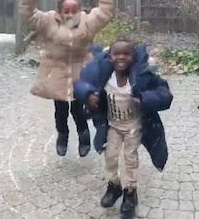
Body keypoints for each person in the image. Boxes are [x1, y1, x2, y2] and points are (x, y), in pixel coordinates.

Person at [20, 0, 117, 157]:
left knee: (78, 109)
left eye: (74, 10)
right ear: (59, 11)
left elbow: (104, 13)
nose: (70, 14)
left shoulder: (87, 22)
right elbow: (30, 15)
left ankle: (84, 136)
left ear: (80, 10)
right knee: (61, 111)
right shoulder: (48, 21)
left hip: (80, 72)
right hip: (56, 73)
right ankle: (62, 135)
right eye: (66, 11)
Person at [74, 38, 173, 215]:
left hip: (133, 127)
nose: (121, 58)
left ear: (133, 57)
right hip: (112, 126)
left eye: (126, 54)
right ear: (109, 57)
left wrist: (144, 98)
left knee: (130, 158)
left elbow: (165, 94)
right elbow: (80, 83)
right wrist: (88, 95)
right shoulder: (104, 75)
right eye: (116, 54)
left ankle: (131, 192)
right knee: (110, 156)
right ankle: (114, 186)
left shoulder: (141, 77)